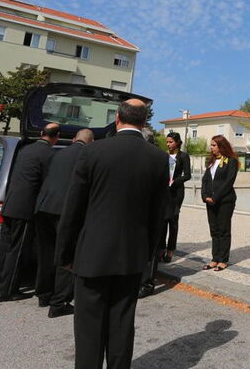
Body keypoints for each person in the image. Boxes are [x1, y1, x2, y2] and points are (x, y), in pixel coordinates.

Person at [56, 100, 169, 369]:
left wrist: (65, 253)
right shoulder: (158, 158)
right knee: (122, 323)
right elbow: (159, 214)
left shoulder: (93, 151)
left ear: (117, 118)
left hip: (91, 254)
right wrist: (148, 254)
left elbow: (73, 209)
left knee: (88, 328)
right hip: (131, 256)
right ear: (144, 122)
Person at [0, 123, 59, 303]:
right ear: (56, 136)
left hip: (10, 204)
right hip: (25, 209)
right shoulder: (50, 154)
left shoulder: (25, 150)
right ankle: (7, 292)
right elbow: (48, 183)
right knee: (18, 251)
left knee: (4, 249)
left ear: (42, 133)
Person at [33, 127, 93, 317]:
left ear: (74, 139)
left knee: (46, 253)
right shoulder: (89, 155)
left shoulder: (58, 153)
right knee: (66, 255)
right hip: (65, 210)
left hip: (43, 207)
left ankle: (44, 295)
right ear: (90, 142)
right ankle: (59, 302)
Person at [140, 132, 192, 297]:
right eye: (167, 142)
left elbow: (188, 175)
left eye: (170, 142)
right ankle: (161, 248)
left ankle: (171, 249)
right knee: (162, 220)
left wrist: (175, 181)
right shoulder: (164, 156)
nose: (168, 144)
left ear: (177, 143)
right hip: (164, 191)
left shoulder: (183, 156)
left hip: (176, 192)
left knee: (173, 221)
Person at [201, 135, 238, 271]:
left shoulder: (231, 161)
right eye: (211, 145)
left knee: (223, 230)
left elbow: (229, 182)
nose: (211, 148)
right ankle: (214, 258)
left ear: (221, 146)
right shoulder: (211, 161)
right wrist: (204, 196)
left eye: (213, 145)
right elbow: (205, 180)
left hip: (224, 201)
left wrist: (215, 197)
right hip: (210, 202)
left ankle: (223, 259)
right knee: (214, 230)